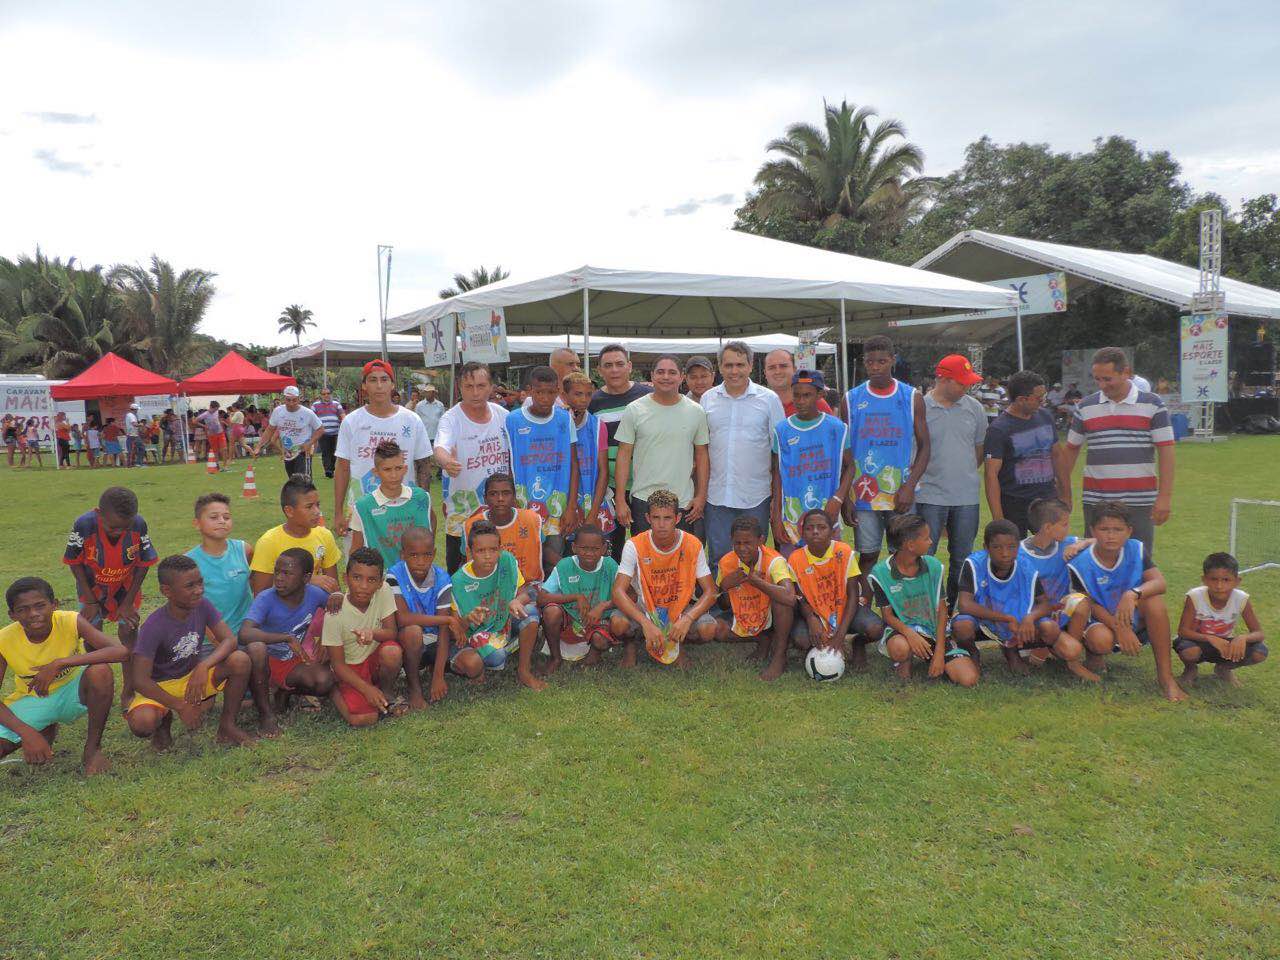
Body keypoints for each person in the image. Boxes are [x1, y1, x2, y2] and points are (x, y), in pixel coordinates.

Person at [125, 555, 258, 748]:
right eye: (190, 586)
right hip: (160, 686)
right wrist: (180, 706)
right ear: (166, 591)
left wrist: (204, 665)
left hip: (192, 677)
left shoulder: (202, 605)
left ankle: (227, 726)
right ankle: (164, 720)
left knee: (240, 660)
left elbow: (229, 639)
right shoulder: (154, 626)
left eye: (200, 583)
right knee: (142, 723)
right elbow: (140, 680)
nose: (199, 591)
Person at [0, 577, 125, 775]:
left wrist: (60, 663)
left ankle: (92, 750)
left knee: (100, 671)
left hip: (74, 691)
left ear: (54, 605)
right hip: (35, 698)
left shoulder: (69, 620)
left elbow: (120, 651)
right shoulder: (4, 639)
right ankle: (45, 727)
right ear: (12, 615)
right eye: (23, 609)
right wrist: (27, 733)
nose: (33, 614)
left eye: (40, 606)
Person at [1065, 502, 1186, 701]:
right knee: (1100, 640)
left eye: (1118, 530)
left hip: (1133, 615)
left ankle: (1166, 678)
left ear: (1129, 531)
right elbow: (1091, 605)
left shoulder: (1135, 549)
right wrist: (1120, 628)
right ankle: (1094, 655)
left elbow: (1160, 583)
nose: (1111, 535)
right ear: (1093, 531)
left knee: (1154, 601)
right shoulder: (1080, 563)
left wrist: (1132, 594)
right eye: (1104, 529)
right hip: (1102, 621)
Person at [1062, 347, 1175, 555]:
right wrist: (1062, 491)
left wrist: (1164, 497)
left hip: (1139, 501)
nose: (1102, 385)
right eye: (1097, 379)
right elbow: (1070, 450)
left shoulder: (1153, 404)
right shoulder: (1085, 407)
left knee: (1138, 559)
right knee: (1095, 560)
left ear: (1125, 372)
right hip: (1096, 500)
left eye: (1107, 379)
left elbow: (1166, 451)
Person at [951, 519, 1097, 680]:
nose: (1005, 553)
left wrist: (1030, 617)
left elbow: (1044, 603)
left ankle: (1013, 650)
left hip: (1018, 622)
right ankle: (972, 652)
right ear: (986, 547)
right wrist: (1005, 617)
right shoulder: (974, 563)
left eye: (1011, 547)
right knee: (962, 625)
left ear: (1018, 547)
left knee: (1054, 632)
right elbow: (965, 605)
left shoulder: (1026, 566)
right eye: (997, 547)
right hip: (983, 619)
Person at [842, 335, 930, 578]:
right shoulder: (851, 399)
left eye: (882, 361)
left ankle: (901, 609)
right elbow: (844, 452)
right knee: (868, 555)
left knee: (905, 553)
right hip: (862, 493)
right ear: (864, 362)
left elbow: (925, 447)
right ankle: (862, 607)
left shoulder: (911, 397)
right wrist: (845, 496)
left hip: (901, 492)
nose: (876, 367)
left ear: (892, 360)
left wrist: (910, 486)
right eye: (870, 362)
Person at [64, 485, 158, 709]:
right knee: (93, 637)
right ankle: (96, 686)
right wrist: (90, 601)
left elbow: (144, 564)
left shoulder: (138, 524)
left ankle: (129, 689)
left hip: (125, 589)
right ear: (99, 513)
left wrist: (127, 603)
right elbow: (74, 563)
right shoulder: (84, 525)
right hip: (91, 589)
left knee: (129, 635)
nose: (118, 532)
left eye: (123, 528)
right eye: (112, 527)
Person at [610, 490, 719, 670]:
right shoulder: (634, 545)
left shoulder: (692, 544)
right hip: (644, 608)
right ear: (647, 518)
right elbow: (618, 591)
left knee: (707, 630)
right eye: (656, 518)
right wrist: (646, 623)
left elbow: (711, 591)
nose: (661, 525)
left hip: (680, 608)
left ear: (677, 518)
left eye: (667, 518)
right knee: (618, 624)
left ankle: (677, 642)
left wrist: (688, 618)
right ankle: (631, 645)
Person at [699, 341, 785, 567]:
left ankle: (755, 603)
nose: (734, 371)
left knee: (754, 559)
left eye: (740, 364)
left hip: (756, 496)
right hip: (717, 496)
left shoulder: (769, 400)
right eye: (728, 365)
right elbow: (702, 448)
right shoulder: (708, 399)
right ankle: (723, 603)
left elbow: (779, 453)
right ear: (719, 366)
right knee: (719, 559)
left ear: (750, 365)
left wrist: (777, 499)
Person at [867, 513, 977, 686]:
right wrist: (910, 634)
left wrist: (940, 652)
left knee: (968, 679)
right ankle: (904, 663)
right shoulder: (880, 573)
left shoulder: (933, 566)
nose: (931, 542)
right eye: (926, 538)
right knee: (900, 648)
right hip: (903, 631)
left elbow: (941, 612)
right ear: (910, 545)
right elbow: (887, 616)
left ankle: (935, 655)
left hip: (934, 630)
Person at [913, 354, 986, 606]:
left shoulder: (975, 408)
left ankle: (957, 612)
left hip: (966, 498)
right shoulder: (919, 407)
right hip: (930, 496)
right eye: (961, 382)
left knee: (963, 558)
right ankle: (929, 610)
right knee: (926, 557)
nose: (966, 387)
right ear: (942, 379)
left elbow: (977, 451)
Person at [335, 359, 433, 540]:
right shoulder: (351, 421)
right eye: (372, 380)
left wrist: (423, 505)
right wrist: (338, 511)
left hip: (404, 508)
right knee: (361, 563)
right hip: (361, 508)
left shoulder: (411, 420)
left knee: (403, 561)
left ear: (392, 384)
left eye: (384, 380)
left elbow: (424, 466)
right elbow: (342, 468)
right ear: (364, 385)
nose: (379, 386)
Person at [614, 354, 709, 536]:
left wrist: (701, 496)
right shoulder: (634, 409)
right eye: (661, 372)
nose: (666, 377)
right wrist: (620, 499)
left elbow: (702, 454)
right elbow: (624, 454)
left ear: (681, 377)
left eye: (672, 372)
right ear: (652, 376)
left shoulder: (696, 411)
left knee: (681, 561)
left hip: (682, 501)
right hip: (643, 499)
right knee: (644, 560)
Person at [780, 509, 883, 677]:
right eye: (809, 528)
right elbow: (799, 597)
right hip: (815, 613)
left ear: (832, 531)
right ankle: (821, 644)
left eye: (821, 527)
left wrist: (840, 635)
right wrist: (811, 619)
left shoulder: (844, 551)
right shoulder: (795, 558)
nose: (815, 531)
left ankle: (856, 643)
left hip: (845, 610)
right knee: (801, 641)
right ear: (802, 533)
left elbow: (852, 595)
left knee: (875, 629)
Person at [433, 361, 511, 573]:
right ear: (459, 387)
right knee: (459, 572)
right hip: (462, 514)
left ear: (491, 387)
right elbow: (440, 446)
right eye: (469, 387)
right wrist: (446, 461)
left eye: (481, 385)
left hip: (500, 510)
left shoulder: (504, 416)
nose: (475, 392)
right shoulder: (451, 419)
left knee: (501, 568)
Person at [450, 520, 544, 691]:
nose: (488, 556)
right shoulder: (458, 581)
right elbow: (457, 628)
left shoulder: (507, 561)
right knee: (496, 657)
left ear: (500, 549)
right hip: (478, 635)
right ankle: (506, 648)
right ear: (469, 552)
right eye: (480, 551)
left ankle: (524, 671)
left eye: (493, 550)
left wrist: (518, 600)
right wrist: (468, 619)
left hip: (504, 623)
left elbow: (528, 592)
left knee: (529, 612)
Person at [239, 548, 336, 713]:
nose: (278, 578)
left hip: (291, 661)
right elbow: (244, 634)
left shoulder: (314, 594)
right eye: (276, 572)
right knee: (257, 648)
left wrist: (327, 637)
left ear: (306, 578)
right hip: (262, 663)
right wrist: (286, 638)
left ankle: (284, 691)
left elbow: (338, 610)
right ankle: (266, 713)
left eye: (287, 573)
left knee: (324, 681)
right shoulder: (266, 598)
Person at [323, 547, 413, 724]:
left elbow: (391, 632)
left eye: (371, 580)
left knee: (392, 652)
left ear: (380, 582)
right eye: (357, 578)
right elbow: (338, 664)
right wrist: (365, 689)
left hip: (374, 658)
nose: (363, 586)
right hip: (350, 669)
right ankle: (333, 690)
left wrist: (372, 633)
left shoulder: (384, 590)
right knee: (364, 718)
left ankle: (386, 691)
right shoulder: (334, 614)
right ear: (345, 578)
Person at [770, 369, 851, 556]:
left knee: (827, 568)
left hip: (827, 514)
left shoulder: (837, 428)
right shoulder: (782, 430)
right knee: (793, 572)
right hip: (791, 519)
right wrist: (776, 515)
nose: (800, 401)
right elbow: (777, 473)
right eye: (796, 395)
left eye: (807, 395)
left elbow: (850, 467)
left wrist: (838, 499)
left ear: (820, 395)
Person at [504, 365, 578, 569]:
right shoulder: (513, 420)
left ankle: (553, 601)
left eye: (550, 392)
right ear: (529, 391)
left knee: (553, 560)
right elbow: (508, 463)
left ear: (558, 392)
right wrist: (511, 503)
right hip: (523, 506)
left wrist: (571, 506)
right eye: (539, 392)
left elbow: (574, 464)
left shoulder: (564, 418)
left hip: (557, 507)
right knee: (525, 561)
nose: (545, 398)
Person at [984, 370, 1071, 537]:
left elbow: (1057, 456)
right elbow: (991, 475)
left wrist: (1066, 495)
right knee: (1014, 554)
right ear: (1021, 400)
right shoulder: (999, 429)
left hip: (1047, 499)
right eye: (1039, 399)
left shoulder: (1045, 417)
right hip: (1015, 503)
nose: (1043, 402)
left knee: (1053, 547)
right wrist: (998, 519)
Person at [588, 343, 653, 558]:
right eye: (608, 365)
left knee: (645, 544)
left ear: (629, 366)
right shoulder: (593, 403)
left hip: (646, 484)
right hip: (609, 486)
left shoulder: (648, 396)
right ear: (599, 370)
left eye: (619, 364)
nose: (614, 370)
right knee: (611, 546)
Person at [712, 515, 797, 679]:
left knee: (782, 602)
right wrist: (724, 586)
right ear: (731, 540)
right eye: (738, 543)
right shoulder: (727, 562)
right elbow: (723, 606)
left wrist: (757, 582)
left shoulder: (774, 560)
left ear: (761, 541)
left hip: (772, 616)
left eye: (748, 543)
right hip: (746, 614)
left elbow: (790, 598)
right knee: (717, 630)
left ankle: (779, 656)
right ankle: (763, 639)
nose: (742, 548)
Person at [385, 526, 460, 706]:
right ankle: (414, 688)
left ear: (434, 554)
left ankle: (434, 667)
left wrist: (438, 677)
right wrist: (447, 619)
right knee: (413, 631)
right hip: (407, 640)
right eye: (414, 555)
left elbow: (443, 630)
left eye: (427, 555)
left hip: (434, 640)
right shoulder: (394, 574)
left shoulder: (442, 579)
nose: (421, 561)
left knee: (449, 635)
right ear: (403, 555)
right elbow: (402, 618)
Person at [1175, 552, 1267, 688]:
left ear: (1237, 581)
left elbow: (1259, 633)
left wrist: (1242, 638)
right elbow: (1183, 631)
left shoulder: (1241, 599)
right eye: (1214, 579)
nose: (1219, 586)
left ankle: (1224, 668)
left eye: (1226, 580)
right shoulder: (1195, 596)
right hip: (1198, 642)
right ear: (1204, 580)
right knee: (1189, 652)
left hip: (1225, 645)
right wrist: (1210, 638)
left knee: (1260, 652)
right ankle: (1190, 669)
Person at [538, 525, 620, 672]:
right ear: (574, 547)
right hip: (571, 620)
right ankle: (556, 658)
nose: (589, 553)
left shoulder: (610, 565)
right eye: (584, 548)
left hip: (599, 620)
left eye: (595, 549)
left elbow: (630, 596)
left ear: (604, 549)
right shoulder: (565, 565)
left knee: (600, 640)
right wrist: (576, 597)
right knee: (551, 612)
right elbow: (541, 598)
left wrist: (602, 606)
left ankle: (594, 653)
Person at [350, 440, 434, 572]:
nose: (394, 475)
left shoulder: (422, 498)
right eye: (387, 469)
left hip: (419, 577)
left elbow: (430, 525)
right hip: (383, 582)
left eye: (398, 468)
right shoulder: (363, 507)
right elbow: (356, 549)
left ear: (405, 469)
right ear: (376, 472)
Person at [249, 477, 340, 595]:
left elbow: (333, 588)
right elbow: (261, 595)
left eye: (318, 505)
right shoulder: (268, 542)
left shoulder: (325, 536)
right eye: (309, 507)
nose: (317, 511)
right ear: (289, 511)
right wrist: (306, 580)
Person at [185, 492, 254, 640]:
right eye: (214, 517)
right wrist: (221, 643)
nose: (222, 521)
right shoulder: (189, 562)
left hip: (246, 634)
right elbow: (191, 608)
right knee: (237, 661)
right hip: (208, 640)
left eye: (227, 517)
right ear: (197, 523)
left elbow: (256, 586)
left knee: (258, 650)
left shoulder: (244, 550)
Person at [1018, 497, 1093, 624]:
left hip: (1062, 610)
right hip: (1033, 614)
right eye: (1065, 524)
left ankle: (1074, 639)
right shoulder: (1019, 553)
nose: (1068, 528)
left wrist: (1080, 545)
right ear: (1047, 527)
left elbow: (1100, 543)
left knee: (1081, 602)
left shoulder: (1068, 544)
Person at [462, 472, 544, 585]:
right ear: (485, 498)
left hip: (528, 587)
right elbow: (465, 561)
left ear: (514, 497)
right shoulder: (471, 525)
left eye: (506, 493)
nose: (500, 499)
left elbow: (544, 549)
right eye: (493, 494)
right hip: (487, 589)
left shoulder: (531, 520)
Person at [563, 371, 615, 538]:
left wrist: (593, 514)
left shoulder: (597, 426)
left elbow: (603, 472)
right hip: (563, 501)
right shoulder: (557, 421)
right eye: (578, 394)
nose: (584, 399)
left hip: (593, 500)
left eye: (588, 394)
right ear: (564, 395)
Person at [256, 386, 325, 479]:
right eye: (288, 400)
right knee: (292, 481)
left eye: (294, 400)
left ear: (298, 399)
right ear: (284, 399)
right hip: (287, 452)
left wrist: (309, 443)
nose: (291, 403)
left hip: (302, 452)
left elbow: (320, 429)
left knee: (303, 482)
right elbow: (269, 430)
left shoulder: (307, 413)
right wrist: (258, 447)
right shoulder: (278, 411)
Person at [764, 348, 833, 417]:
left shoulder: (816, 403)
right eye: (771, 368)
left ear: (794, 369)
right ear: (765, 373)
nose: (778, 372)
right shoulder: (758, 403)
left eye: (783, 366)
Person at [311, 386, 346, 478]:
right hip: (323, 433)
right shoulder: (315, 405)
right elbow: (311, 417)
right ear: (321, 395)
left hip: (336, 432)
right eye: (324, 394)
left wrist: (345, 424)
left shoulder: (336, 404)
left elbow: (343, 416)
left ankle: (332, 469)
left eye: (328, 393)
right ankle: (328, 471)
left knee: (335, 452)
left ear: (331, 394)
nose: (326, 395)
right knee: (326, 452)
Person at [411, 384, 444, 478]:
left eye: (429, 392)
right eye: (426, 392)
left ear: (434, 393)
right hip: (424, 435)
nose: (427, 394)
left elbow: (442, 419)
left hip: (437, 434)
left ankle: (440, 473)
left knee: (439, 455)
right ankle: (427, 474)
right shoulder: (419, 405)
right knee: (425, 457)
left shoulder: (440, 405)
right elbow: (416, 419)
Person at [124, 402, 145, 467]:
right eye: (137, 409)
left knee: (139, 448)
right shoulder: (131, 415)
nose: (137, 410)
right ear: (134, 409)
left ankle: (137, 463)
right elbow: (134, 424)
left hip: (134, 435)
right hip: (132, 435)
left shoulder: (130, 415)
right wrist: (140, 425)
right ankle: (132, 464)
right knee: (133, 450)